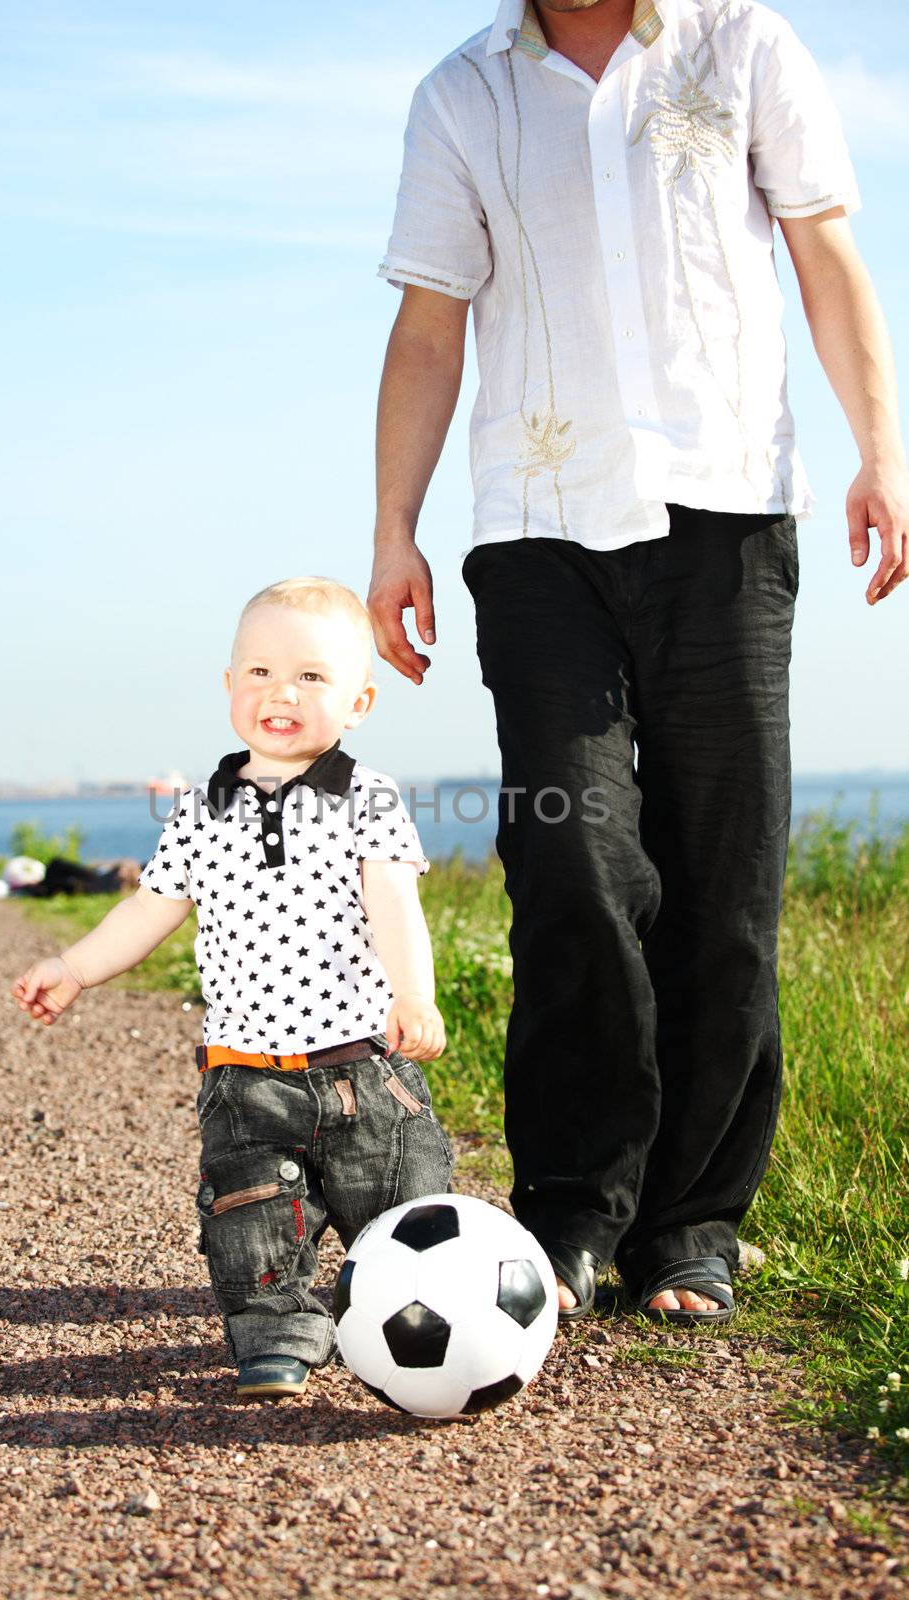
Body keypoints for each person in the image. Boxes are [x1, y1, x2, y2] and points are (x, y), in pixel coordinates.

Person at [367, 0, 907, 1324]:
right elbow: (430, 325)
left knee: (725, 875)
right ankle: (569, 1210)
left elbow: (823, 253)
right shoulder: (462, 94)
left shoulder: (741, 49)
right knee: (570, 852)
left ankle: (691, 1226)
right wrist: (392, 529)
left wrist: (880, 454)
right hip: (536, 535)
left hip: (725, 521)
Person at [11, 577, 453, 1396]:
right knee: (250, 1228)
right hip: (243, 1074)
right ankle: (277, 1334)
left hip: (361, 1066)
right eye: (258, 673)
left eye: (311, 678)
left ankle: (426, 1324)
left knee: (404, 1208)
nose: (280, 693)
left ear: (358, 701)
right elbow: (150, 909)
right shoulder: (197, 812)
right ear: (228, 687)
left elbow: (395, 905)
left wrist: (413, 996)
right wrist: (74, 967)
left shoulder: (367, 797)